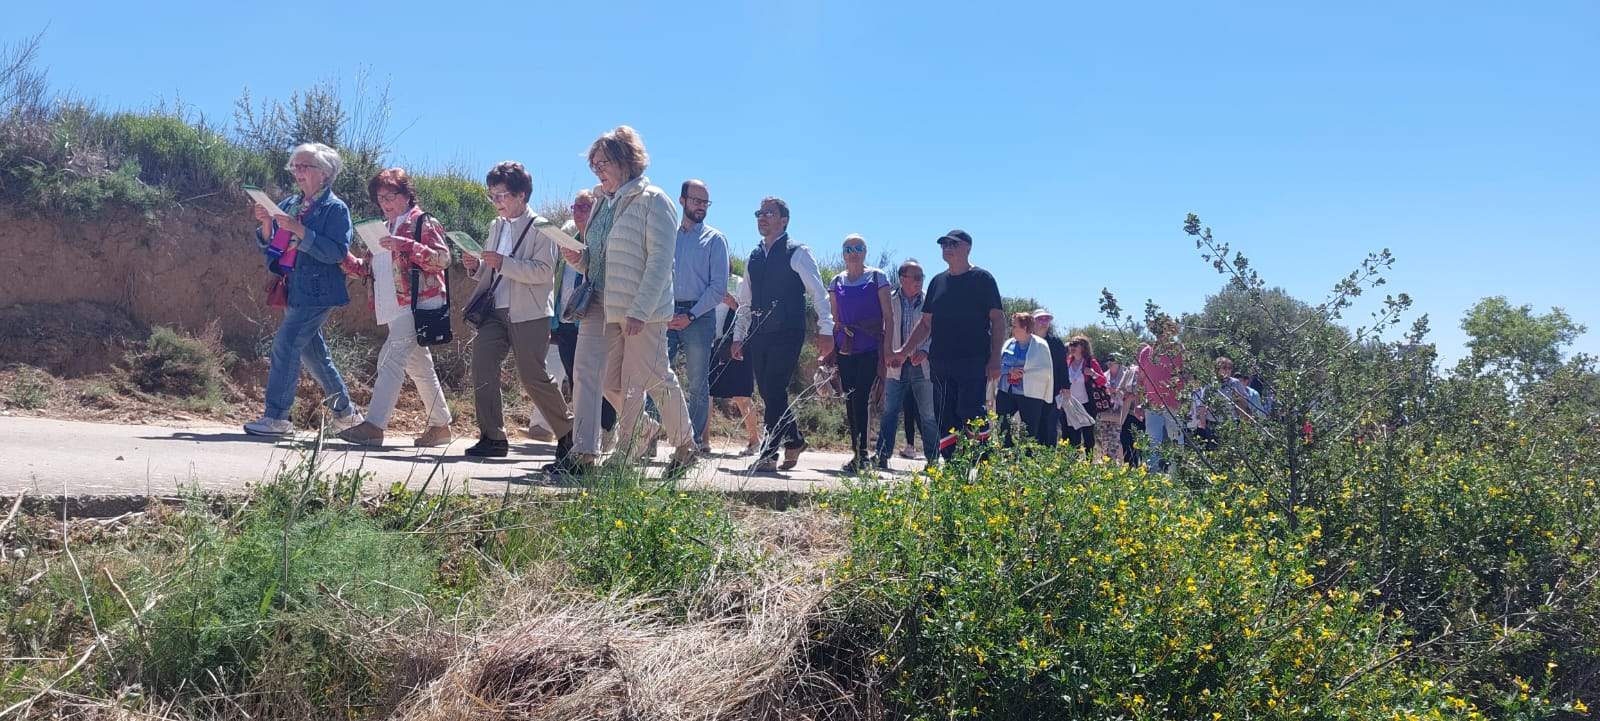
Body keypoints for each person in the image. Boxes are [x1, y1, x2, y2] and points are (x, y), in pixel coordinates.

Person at [561, 126, 698, 475]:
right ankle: (594, 447)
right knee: (601, 378)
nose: (597, 170)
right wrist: (577, 258)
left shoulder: (655, 200)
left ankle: (683, 444)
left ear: (625, 161)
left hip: (641, 308)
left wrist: (640, 310)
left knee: (651, 377)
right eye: (593, 165)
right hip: (598, 301)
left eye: (603, 163)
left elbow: (660, 260)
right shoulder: (601, 202)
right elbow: (598, 256)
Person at [244, 142, 363, 437]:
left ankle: (277, 418)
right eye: (294, 166)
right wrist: (266, 224)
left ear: (324, 173)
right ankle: (346, 414)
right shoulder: (289, 204)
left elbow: (337, 252)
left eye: (304, 166)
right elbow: (272, 246)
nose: (297, 172)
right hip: (292, 288)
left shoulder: (335, 209)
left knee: (285, 345)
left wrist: (300, 231)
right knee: (314, 355)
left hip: (318, 291)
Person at [460, 161, 575, 466]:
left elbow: (544, 272)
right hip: (494, 310)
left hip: (530, 312)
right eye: (492, 195)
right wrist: (476, 267)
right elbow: (493, 271)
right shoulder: (496, 226)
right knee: (482, 365)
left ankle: (568, 432)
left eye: (501, 195)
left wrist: (503, 263)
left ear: (521, 194)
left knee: (532, 374)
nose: (496, 201)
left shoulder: (542, 227)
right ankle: (493, 437)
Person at [334, 168, 452, 447]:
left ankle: (374, 426)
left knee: (390, 359)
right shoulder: (384, 228)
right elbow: (366, 269)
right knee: (419, 366)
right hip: (394, 307)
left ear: (406, 195)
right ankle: (440, 425)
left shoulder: (422, 222)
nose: (384, 202)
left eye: (390, 196)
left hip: (418, 304)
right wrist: (341, 255)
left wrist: (406, 245)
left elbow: (443, 259)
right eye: (380, 197)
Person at [730, 197, 835, 472]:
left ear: (784, 220)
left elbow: (819, 293)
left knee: (775, 387)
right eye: (759, 213)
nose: (762, 217)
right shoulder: (754, 256)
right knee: (768, 391)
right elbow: (745, 300)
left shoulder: (797, 252)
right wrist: (738, 335)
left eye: (769, 213)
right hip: (759, 333)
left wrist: (826, 329)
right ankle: (795, 440)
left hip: (788, 331)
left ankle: (768, 453)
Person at [889, 229, 1005, 461]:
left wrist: (995, 358)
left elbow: (998, 320)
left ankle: (982, 464)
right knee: (945, 416)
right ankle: (952, 466)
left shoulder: (983, 279)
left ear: (968, 247)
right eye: (944, 244)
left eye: (953, 244)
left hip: (973, 361)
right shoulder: (937, 282)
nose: (947, 248)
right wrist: (904, 351)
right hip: (940, 363)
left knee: (970, 411)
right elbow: (925, 323)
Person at [550, 190, 617, 448]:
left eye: (585, 207)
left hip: (590, 320)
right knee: (576, 379)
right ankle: (588, 439)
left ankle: (607, 429)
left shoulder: (599, 244)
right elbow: (560, 282)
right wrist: (554, 318)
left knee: (596, 381)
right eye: (575, 207)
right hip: (566, 321)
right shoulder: (567, 242)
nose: (578, 212)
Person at [667, 180, 730, 454]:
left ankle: (691, 443)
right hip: (666, 314)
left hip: (700, 316)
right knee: (654, 375)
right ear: (682, 201)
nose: (701, 206)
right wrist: (665, 310)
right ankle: (647, 437)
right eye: (696, 200)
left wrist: (691, 315)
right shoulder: (668, 236)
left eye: (705, 202)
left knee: (697, 383)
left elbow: (718, 288)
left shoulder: (715, 240)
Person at [827, 234, 893, 472]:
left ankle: (863, 453)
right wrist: (831, 349)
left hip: (869, 347)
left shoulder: (877, 277)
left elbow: (888, 316)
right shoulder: (836, 281)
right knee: (850, 397)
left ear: (865, 252)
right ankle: (857, 452)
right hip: (846, 348)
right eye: (848, 248)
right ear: (843, 254)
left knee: (862, 396)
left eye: (858, 248)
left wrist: (888, 348)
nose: (853, 252)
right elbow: (834, 318)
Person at [877, 259, 939, 468]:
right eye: (916, 277)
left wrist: (925, 350)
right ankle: (882, 456)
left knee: (928, 415)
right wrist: (887, 353)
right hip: (895, 365)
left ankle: (933, 460)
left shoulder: (930, 301)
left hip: (922, 366)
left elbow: (935, 330)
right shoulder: (889, 299)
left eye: (922, 277)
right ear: (902, 279)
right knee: (890, 412)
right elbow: (882, 329)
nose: (920, 281)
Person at [709, 261, 760, 455]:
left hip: (736, 344)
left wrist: (733, 304)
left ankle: (754, 441)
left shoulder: (739, 283)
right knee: (706, 394)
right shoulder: (707, 285)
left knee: (742, 395)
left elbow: (748, 312)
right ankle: (703, 442)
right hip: (712, 345)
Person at [994, 312, 1054, 447]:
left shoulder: (1040, 345)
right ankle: (1006, 454)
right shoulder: (1008, 343)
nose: (1012, 329)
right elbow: (998, 365)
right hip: (1006, 391)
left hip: (1030, 395)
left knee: (1029, 431)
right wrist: (1010, 371)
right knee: (1002, 425)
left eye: (1015, 326)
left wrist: (1023, 374)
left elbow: (1045, 371)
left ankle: (1026, 457)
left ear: (1025, 328)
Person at [1136, 318, 1185, 472]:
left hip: (1174, 404)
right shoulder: (1146, 352)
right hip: (1152, 405)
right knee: (1152, 442)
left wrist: (1185, 402)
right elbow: (1140, 380)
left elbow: (1186, 376)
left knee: (1176, 441)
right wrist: (1138, 403)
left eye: (1165, 329)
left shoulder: (1179, 350)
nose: (1161, 333)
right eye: (1158, 330)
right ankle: (1152, 478)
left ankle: (1177, 477)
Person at [1059, 334, 1106, 456]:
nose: (1072, 347)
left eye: (1075, 344)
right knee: (1072, 437)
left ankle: (1088, 462)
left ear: (1083, 347)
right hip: (1070, 405)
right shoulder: (1067, 362)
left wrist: (1093, 374)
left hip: (1087, 405)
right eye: (1071, 344)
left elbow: (1103, 381)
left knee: (1088, 436)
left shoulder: (1090, 363)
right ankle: (1073, 463)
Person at [1032, 309, 1070, 445]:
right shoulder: (1027, 340)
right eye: (1040, 319)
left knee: (1050, 424)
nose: (1044, 322)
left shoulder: (1056, 342)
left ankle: (1048, 455)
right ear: (1032, 321)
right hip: (1030, 391)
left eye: (1046, 319)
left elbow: (1062, 366)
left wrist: (1066, 386)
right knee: (1032, 424)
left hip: (1053, 390)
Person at [1094, 353, 1134, 462]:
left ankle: (1113, 463)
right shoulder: (1104, 375)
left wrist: (1116, 392)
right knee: (1104, 439)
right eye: (1108, 360)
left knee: (1115, 440)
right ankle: (1106, 462)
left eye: (1113, 360)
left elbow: (1128, 392)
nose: (1110, 363)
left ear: (1118, 362)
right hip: (1106, 410)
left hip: (1119, 411)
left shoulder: (1126, 375)